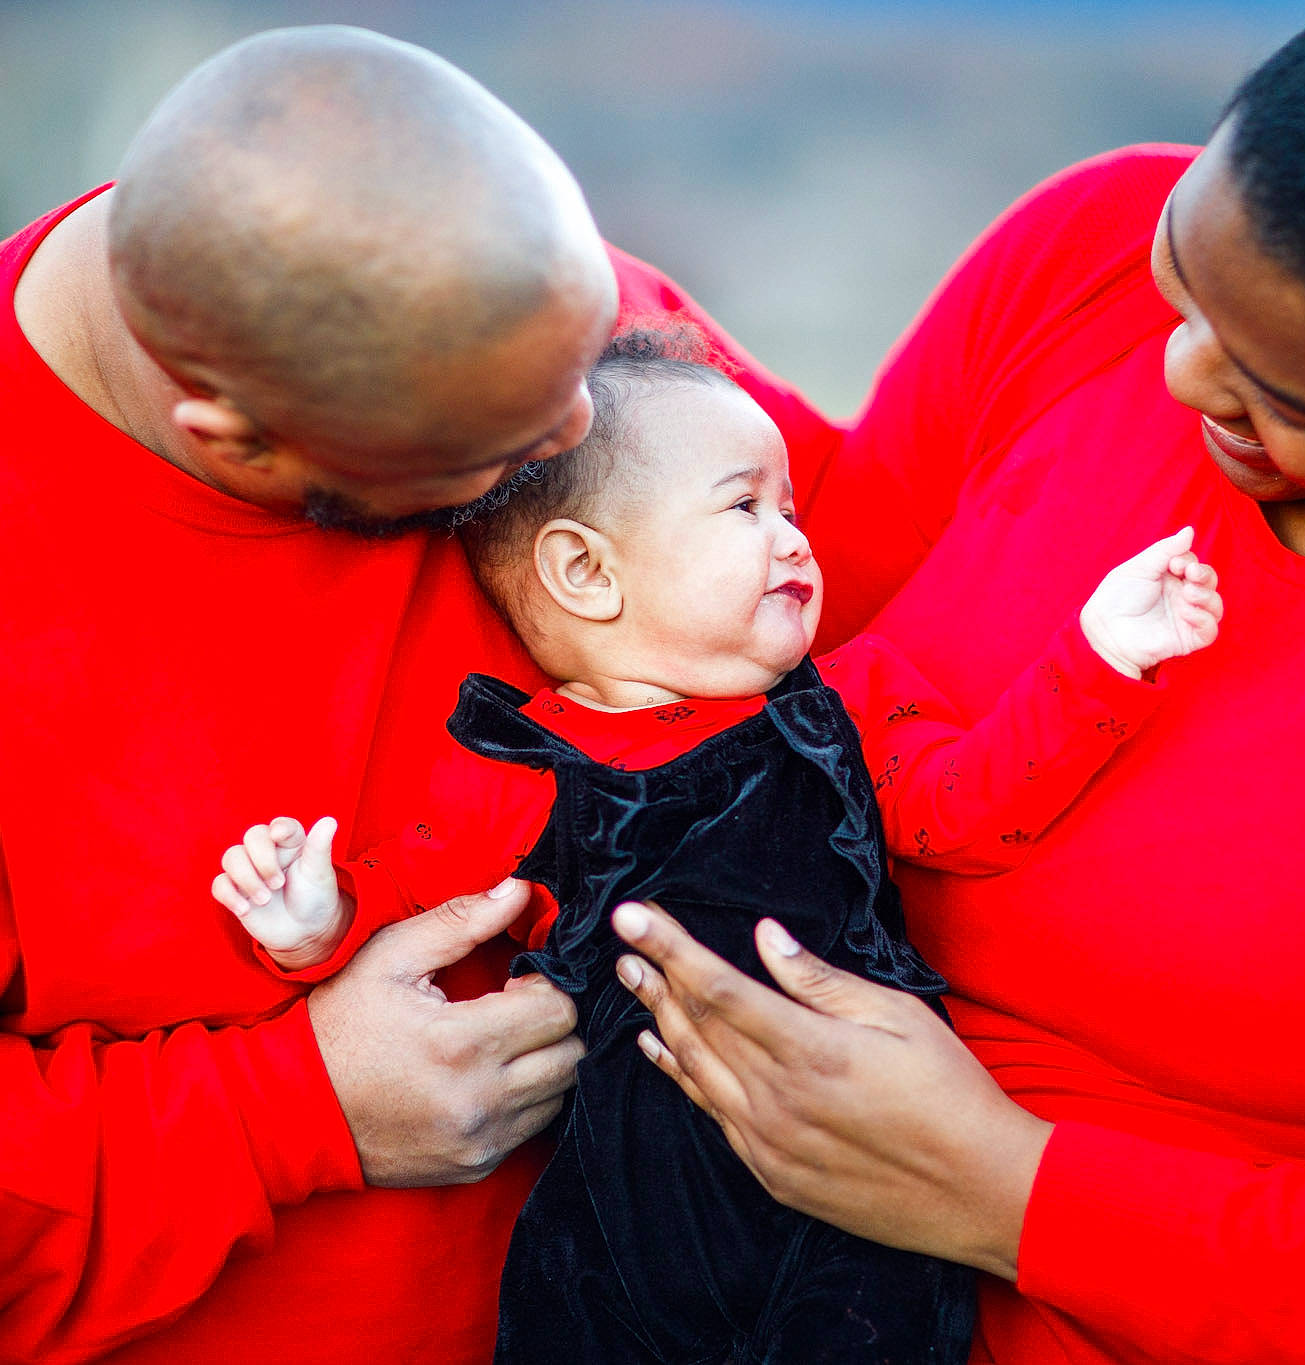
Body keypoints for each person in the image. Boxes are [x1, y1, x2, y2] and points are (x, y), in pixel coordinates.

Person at [0, 27, 831, 1363]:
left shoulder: (499, 321)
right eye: (498, 453)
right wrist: (288, 1109)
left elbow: (886, 592)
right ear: (231, 435)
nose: (583, 431)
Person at [605, 0, 1305, 1360]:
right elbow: (808, 627)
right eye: (1183, 275)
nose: (1183, 372)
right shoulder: (1088, 249)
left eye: (1285, 399)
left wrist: (1004, 1192)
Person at [210, 332, 1221, 1363]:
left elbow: (964, 807)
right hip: (630, 1209)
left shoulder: (841, 705)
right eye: (745, 507)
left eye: (792, 511)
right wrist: (315, 924)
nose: (794, 541)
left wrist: (1099, 658)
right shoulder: (525, 767)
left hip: (861, 1178)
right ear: (584, 571)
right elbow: (415, 898)